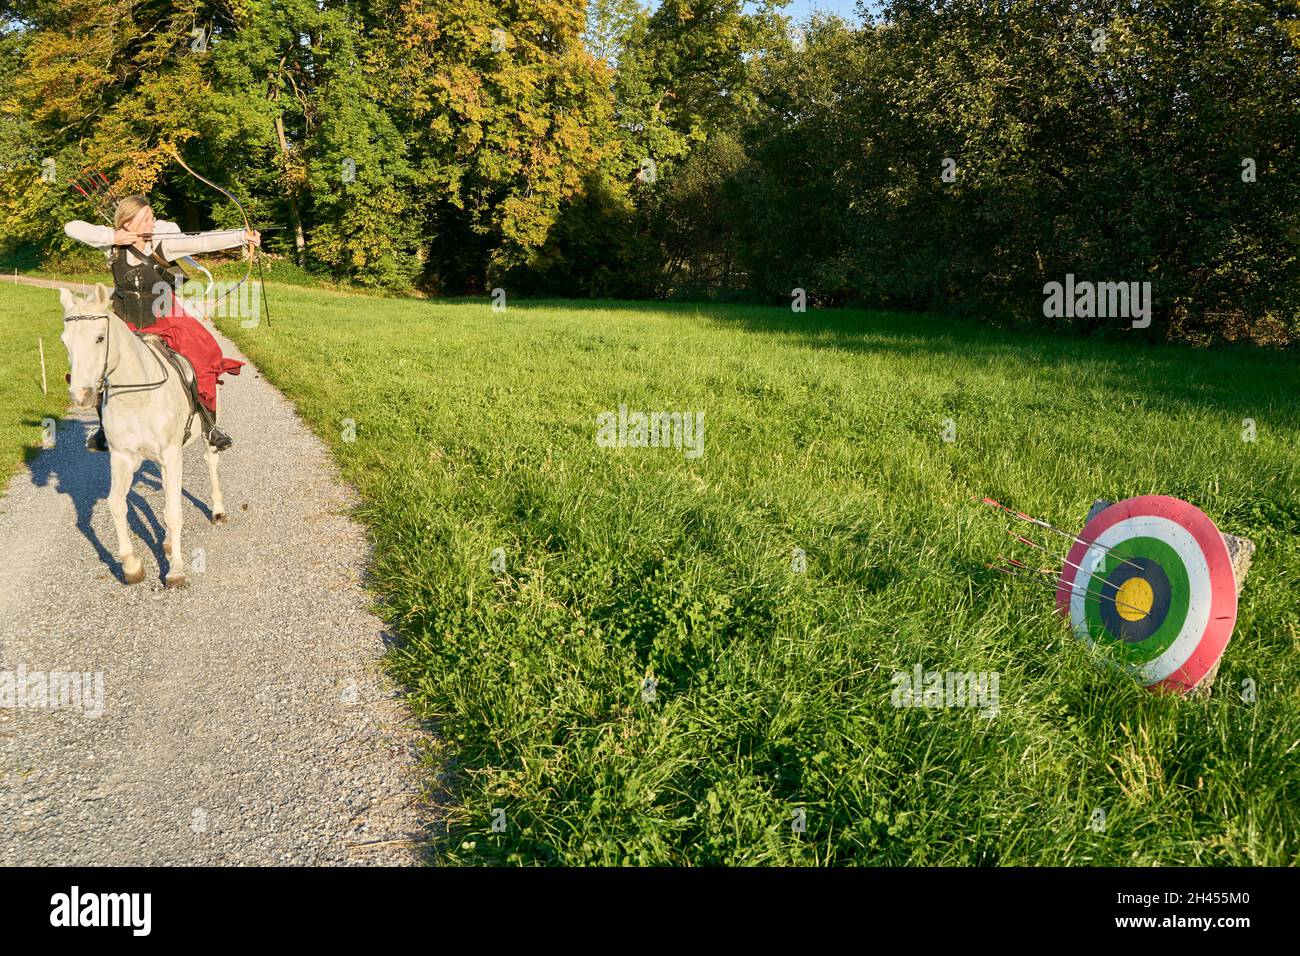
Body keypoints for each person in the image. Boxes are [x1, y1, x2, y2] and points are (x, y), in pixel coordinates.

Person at [65, 195, 258, 452]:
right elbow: (72, 227)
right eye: (145, 218)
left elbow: (202, 241)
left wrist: (241, 237)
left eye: (152, 216)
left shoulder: (163, 244)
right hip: (125, 324)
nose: (152, 221)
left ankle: (209, 425)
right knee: (99, 366)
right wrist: (114, 237)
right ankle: (104, 426)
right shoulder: (111, 245)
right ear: (127, 222)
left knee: (200, 359)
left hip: (166, 319)